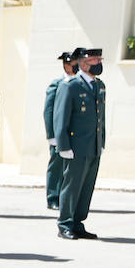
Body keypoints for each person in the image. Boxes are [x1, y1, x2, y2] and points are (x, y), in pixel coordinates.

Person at [53, 46, 106, 240]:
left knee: (86, 187)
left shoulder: (99, 85)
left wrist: (101, 141)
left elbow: (101, 117)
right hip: (75, 146)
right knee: (72, 185)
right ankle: (65, 223)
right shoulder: (70, 86)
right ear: (83, 64)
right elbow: (60, 117)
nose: (98, 63)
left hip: (93, 145)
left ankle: (77, 222)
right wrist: (63, 145)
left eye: (99, 60)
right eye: (94, 61)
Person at [44, 51, 78, 210]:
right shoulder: (57, 84)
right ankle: (53, 197)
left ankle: (66, 198)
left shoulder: (79, 83)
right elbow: (49, 110)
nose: (76, 67)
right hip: (59, 133)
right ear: (65, 65)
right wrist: (52, 135)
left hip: (75, 134)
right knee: (56, 166)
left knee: (71, 168)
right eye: (73, 64)